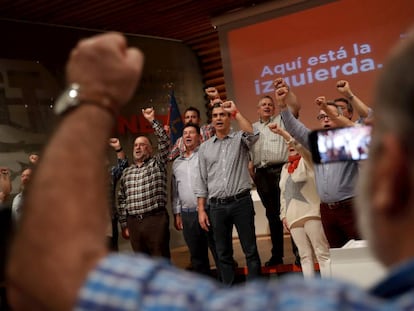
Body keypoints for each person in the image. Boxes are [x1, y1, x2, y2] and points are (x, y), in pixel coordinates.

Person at [8, 30, 414, 311]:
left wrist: (91, 99)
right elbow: (312, 142)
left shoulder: (325, 303)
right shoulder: (365, 146)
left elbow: (51, 275)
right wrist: (291, 111)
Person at [274, 79, 361, 248]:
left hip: (351, 208)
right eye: (321, 117)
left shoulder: (351, 141)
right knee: (338, 257)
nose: (325, 120)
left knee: (362, 254)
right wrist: (282, 106)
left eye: (328, 116)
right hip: (327, 211)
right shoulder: (318, 143)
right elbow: (295, 129)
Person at [195, 101, 261, 285]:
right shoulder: (205, 147)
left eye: (222, 115)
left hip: (241, 203)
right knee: (222, 253)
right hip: (216, 207)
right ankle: (230, 295)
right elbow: (201, 180)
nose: (218, 118)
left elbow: (254, 134)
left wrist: (236, 112)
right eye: (215, 116)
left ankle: (255, 293)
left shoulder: (239, 139)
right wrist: (201, 209)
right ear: (211, 121)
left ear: (228, 118)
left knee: (250, 250)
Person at [268, 124, 330, 278]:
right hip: (293, 218)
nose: (290, 146)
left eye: (293, 143)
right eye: (288, 145)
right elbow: (283, 194)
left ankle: (329, 289)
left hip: (311, 214)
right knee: (304, 256)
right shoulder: (284, 169)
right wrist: (283, 216)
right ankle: (310, 293)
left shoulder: (308, 161)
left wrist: (285, 135)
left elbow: (300, 148)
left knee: (322, 254)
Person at [250, 94, 301, 266]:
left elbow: (295, 108)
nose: (266, 106)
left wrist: (286, 94)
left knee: (290, 213)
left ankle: (299, 255)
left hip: (281, 171)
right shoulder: (253, 128)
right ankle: (277, 256)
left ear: (273, 108)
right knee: (272, 216)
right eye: (263, 104)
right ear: (257, 109)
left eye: (270, 104)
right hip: (261, 175)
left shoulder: (282, 120)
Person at [117, 107, 171, 259]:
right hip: (134, 223)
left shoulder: (157, 163)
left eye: (142, 145)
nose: (138, 148)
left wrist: (152, 120)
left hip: (155, 220)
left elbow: (165, 143)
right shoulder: (127, 172)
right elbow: (121, 199)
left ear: (150, 149)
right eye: (135, 145)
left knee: (160, 261)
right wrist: (124, 224)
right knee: (142, 265)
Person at [171, 123, 211, 275]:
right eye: (184, 133)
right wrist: (177, 213)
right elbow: (174, 190)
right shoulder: (177, 163)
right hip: (187, 214)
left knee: (217, 251)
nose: (187, 135)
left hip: (207, 210)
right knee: (196, 257)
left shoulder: (205, 156)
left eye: (191, 133)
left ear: (199, 137)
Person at [107, 137, 129, 251]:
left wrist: (118, 148)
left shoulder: (109, 174)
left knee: (112, 253)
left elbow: (123, 166)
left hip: (108, 222)